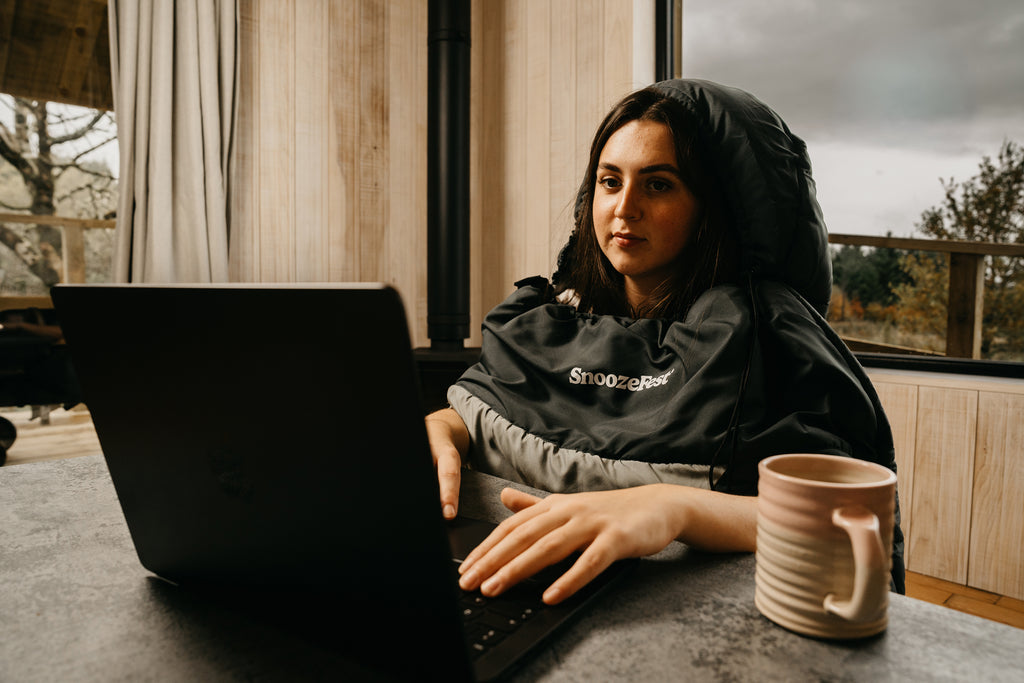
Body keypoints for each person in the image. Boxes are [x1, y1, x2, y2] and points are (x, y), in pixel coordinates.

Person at [426, 79, 905, 606]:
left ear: (711, 207)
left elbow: (848, 526)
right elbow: (493, 408)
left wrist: (674, 507)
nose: (624, 208)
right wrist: (445, 426)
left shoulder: (768, 342)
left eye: (658, 185)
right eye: (610, 182)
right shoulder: (553, 317)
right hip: (510, 589)